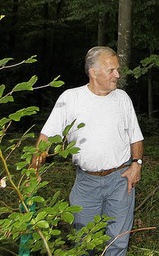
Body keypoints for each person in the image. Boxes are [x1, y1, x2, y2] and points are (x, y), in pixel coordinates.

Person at [33, 46, 144, 256]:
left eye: (117, 69)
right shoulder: (71, 98)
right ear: (93, 72)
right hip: (86, 183)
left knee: (118, 242)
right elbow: (47, 137)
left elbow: (136, 137)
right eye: (111, 70)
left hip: (120, 181)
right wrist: (32, 173)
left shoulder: (122, 98)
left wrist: (136, 164)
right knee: (84, 243)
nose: (117, 75)